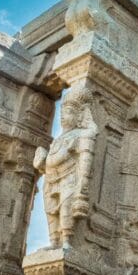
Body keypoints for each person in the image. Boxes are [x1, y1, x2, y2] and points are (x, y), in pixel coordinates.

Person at [34, 90, 97, 249]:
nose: (62, 116)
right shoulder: (59, 139)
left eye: (68, 112)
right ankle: (54, 241)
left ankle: (67, 240)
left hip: (69, 177)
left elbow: (85, 160)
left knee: (66, 207)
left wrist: (82, 183)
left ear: (79, 116)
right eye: (62, 112)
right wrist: (41, 161)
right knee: (50, 211)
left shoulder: (82, 134)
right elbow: (47, 163)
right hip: (51, 179)